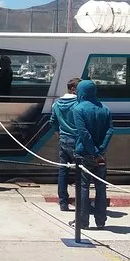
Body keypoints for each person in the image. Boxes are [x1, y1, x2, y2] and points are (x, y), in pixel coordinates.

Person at [71, 79, 113, 230]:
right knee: (101, 187)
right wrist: (100, 150)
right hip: (101, 155)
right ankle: (101, 221)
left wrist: (93, 151)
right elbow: (110, 130)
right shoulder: (105, 109)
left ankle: (83, 221)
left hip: (84, 153)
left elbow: (83, 133)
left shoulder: (78, 109)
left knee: (83, 187)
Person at [49, 77, 81, 211]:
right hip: (77, 141)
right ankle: (81, 203)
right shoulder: (78, 104)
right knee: (81, 173)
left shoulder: (56, 104)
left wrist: (58, 135)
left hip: (63, 140)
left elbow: (52, 121)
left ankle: (63, 202)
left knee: (63, 171)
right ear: (73, 89)